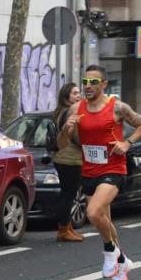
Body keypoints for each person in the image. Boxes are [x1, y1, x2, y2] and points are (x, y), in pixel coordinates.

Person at [59, 64, 141, 280]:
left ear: (104, 84)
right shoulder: (75, 109)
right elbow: (61, 145)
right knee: (104, 220)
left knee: (93, 211)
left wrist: (127, 143)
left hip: (113, 169)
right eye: (85, 82)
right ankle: (121, 261)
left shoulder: (117, 107)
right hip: (89, 170)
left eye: (93, 82)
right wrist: (65, 129)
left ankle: (110, 252)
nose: (88, 86)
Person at [52, 82, 84, 242]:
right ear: (66, 96)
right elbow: (75, 137)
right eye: (74, 93)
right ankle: (63, 229)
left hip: (62, 157)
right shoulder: (69, 114)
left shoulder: (60, 111)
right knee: (68, 194)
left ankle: (67, 227)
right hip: (70, 158)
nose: (78, 95)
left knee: (68, 193)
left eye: (79, 93)